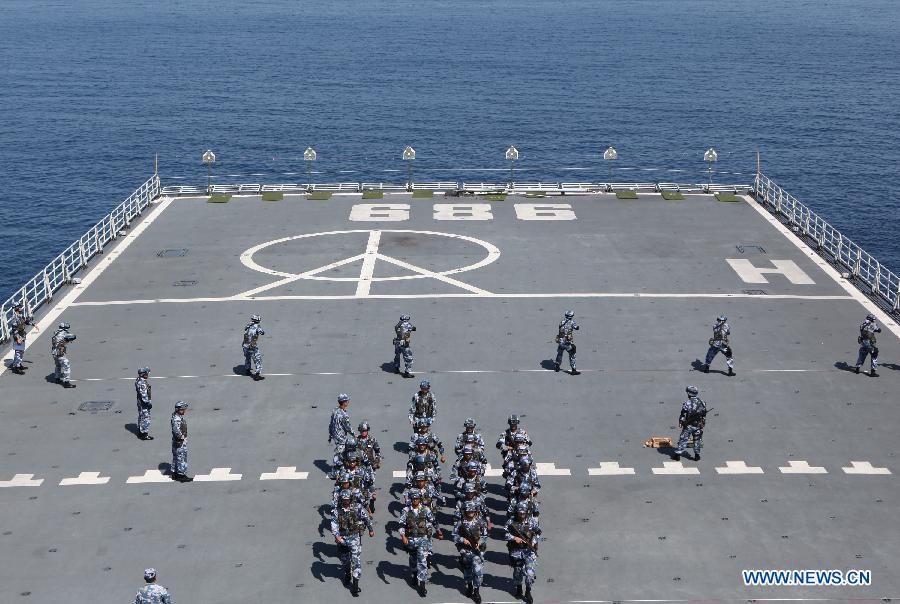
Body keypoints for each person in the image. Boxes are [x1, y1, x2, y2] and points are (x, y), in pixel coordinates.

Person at [331, 489, 375, 597]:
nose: (346, 502)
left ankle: (355, 585)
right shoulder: (337, 511)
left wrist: (370, 529)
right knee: (345, 561)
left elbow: (366, 518)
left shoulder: (358, 508)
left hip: (354, 538)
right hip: (343, 539)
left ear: (350, 499)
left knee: (356, 561)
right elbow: (334, 524)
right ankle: (347, 573)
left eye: (347, 499)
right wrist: (337, 536)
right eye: (344, 500)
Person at [398, 489, 440, 597]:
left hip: (423, 539)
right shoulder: (406, 510)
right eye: (413, 499)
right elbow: (401, 524)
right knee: (413, 560)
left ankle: (422, 585)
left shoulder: (425, 509)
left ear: (419, 499)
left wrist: (438, 531)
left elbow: (433, 521)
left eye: (417, 498)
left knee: (422, 561)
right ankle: (414, 573)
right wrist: (403, 536)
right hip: (411, 539)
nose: (415, 500)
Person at [505, 501, 541, 604]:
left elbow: (537, 532)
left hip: (529, 551)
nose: (521, 515)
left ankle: (528, 592)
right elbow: (504, 534)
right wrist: (514, 538)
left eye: (523, 513)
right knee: (517, 572)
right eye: (520, 513)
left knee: (530, 574)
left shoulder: (531, 521)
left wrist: (533, 542)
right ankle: (519, 588)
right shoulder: (511, 522)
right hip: (516, 552)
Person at [454, 501, 488, 603]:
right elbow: (454, 535)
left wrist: (479, 542)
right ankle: (469, 586)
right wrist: (462, 540)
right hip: (465, 551)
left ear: (475, 511)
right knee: (467, 570)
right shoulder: (461, 523)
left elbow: (485, 535)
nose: (470, 512)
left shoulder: (480, 522)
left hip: (477, 551)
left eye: (472, 511)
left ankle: (476, 592)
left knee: (478, 571)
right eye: (469, 511)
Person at [671, 386, 707, 462]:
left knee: (683, 439)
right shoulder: (702, 402)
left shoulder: (687, 403)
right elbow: (704, 414)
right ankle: (697, 455)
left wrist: (681, 422)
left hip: (689, 425)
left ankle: (677, 455)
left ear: (689, 393)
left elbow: (683, 414)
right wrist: (702, 423)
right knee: (697, 440)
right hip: (698, 425)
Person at [8, 303, 36, 374]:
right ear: (17, 308)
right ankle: (16, 368)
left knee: (21, 351)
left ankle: (18, 364)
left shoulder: (20, 316)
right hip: (18, 337)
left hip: (22, 336)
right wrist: (18, 338)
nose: (21, 307)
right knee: (18, 352)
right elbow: (14, 330)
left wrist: (33, 324)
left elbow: (25, 321)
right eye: (20, 307)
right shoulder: (15, 318)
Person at [51, 322, 77, 388]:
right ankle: (66, 382)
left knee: (58, 365)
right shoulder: (63, 333)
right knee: (66, 366)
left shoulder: (56, 332)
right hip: (60, 353)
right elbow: (73, 336)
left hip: (54, 352)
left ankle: (57, 378)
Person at [171, 401, 192, 482]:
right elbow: (176, 430)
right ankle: (181, 475)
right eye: (183, 409)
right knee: (181, 458)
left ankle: (175, 474)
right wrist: (181, 437)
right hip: (179, 442)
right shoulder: (177, 419)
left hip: (177, 442)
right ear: (178, 409)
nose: (184, 411)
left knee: (176, 458)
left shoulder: (177, 416)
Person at [554, 310, 580, 375]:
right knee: (572, 354)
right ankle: (573, 370)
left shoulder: (561, 322)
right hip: (568, 342)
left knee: (560, 354)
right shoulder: (572, 322)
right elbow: (576, 328)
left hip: (560, 341)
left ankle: (557, 366)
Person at [329, 394, 354, 459]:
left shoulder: (334, 410)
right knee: (340, 452)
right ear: (344, 402)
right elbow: (347, 427)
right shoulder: (343, 414)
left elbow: (331, 423)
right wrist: (354, 434)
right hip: (340, 437)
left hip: (335, 434)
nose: (348, 402)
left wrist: (330, 434)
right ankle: (337, 467)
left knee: (340, 450)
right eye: (347, 401)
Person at [242, 314, 265, 380]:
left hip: (244, 345)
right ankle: (257, 375)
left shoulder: (248, 325)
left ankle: (247, 371)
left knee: (247, 358)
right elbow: (262, 332)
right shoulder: (257, 326)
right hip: (252, 346)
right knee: (258, 360)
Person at [135, 367, 153, 440]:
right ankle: (144, 434)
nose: (148, 375)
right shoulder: (142, 383)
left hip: (140, 402)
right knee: (146, 418)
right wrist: (147, 403)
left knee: (141, 417)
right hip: (143, 403)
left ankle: (140, 432)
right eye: (147, 373)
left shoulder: (138, 380)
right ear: (143, 374)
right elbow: (144, 394)